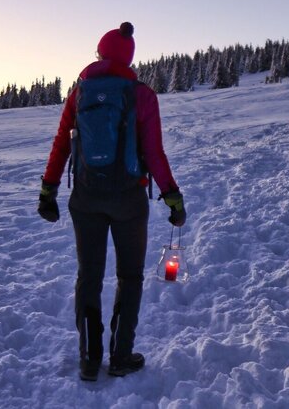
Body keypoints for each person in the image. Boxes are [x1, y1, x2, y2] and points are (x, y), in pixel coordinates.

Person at [37, 22, 186, 382]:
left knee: (88, 276)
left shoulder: (80, 91)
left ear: (101, 54)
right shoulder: (142, 95)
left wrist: (48, 190)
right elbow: (153, 152)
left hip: (86, 197)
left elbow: (61, 143)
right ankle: (120, 356)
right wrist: (172, 197)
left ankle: (89, 358)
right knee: (129, 276)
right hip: (129, 200)